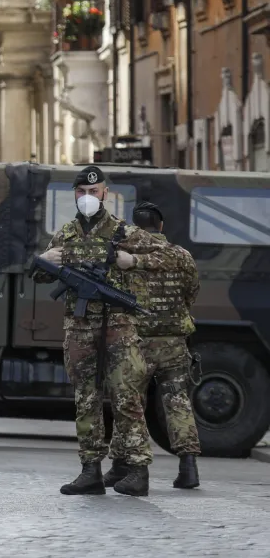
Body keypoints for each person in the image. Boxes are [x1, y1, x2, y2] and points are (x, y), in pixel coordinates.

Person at [33, 166, 166, 497]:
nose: (88, 198)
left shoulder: (124, 232)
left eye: (94, 192)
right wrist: (43, 259)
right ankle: (90, 471)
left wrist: (130, 262)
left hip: (118, 326)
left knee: (126, 395)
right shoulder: (65, 234)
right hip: (79, 328)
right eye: (82, 192)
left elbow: (166, 257)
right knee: (85, 398)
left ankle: (137, 470)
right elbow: (38, 276)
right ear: (75, 195)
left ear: (105, 193)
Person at [104, 201, 201, 489]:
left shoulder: (125, 255)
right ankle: (189, 468)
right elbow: (191, 293)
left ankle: (122, 465)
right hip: (173, 342)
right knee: (177, 402)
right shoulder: (181, 255)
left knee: (129, 404)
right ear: (160, 226)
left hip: (137, 342)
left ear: (134, 227)